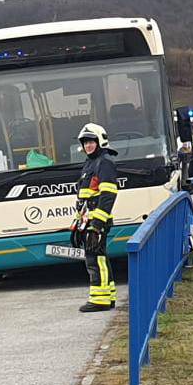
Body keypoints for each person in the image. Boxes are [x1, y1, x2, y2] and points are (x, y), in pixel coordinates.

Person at [70, 123, 118, 313]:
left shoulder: (104, 162)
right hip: (88, 221)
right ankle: (109, 295)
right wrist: (77, 225)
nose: (88, 146)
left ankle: (100, 299)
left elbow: (108, 195)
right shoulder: (90, 163)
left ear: (100, 141)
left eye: (91, 142)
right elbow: (84, 198)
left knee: (95, 259)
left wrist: (97, 225)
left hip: (98, 221)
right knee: (99, 257)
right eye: (85, 143)